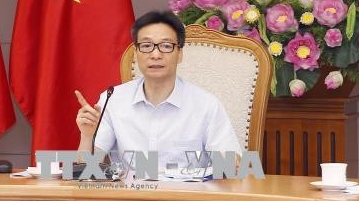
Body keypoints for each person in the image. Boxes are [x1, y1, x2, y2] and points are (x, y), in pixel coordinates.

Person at [75, 10, 241, 170]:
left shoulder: (206, 105)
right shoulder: (113, 99)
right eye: (146, 46)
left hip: (186, 196)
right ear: (136, 53)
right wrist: (87, 136)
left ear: (180, 54)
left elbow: (233, 167)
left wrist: (229, 163)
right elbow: (88, 168)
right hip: (131, 195)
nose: (155, 54)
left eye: (166, 46)